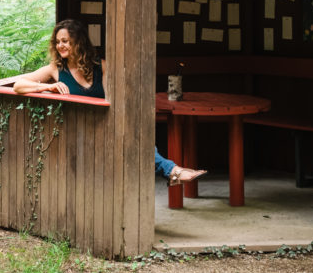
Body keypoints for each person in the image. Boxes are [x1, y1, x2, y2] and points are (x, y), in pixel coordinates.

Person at [10, 18, 206, 185]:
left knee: (136, 138)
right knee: (133, 140)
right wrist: (47, 87)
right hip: (76, 131)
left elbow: (117, 93)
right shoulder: (56, 69)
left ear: (78, 42)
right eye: (58, 41)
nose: (61, 45)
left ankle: (173, 171)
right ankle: (174, 172)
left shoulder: (99, 66)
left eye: (66, 41)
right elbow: (19, 85)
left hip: (103, 125)